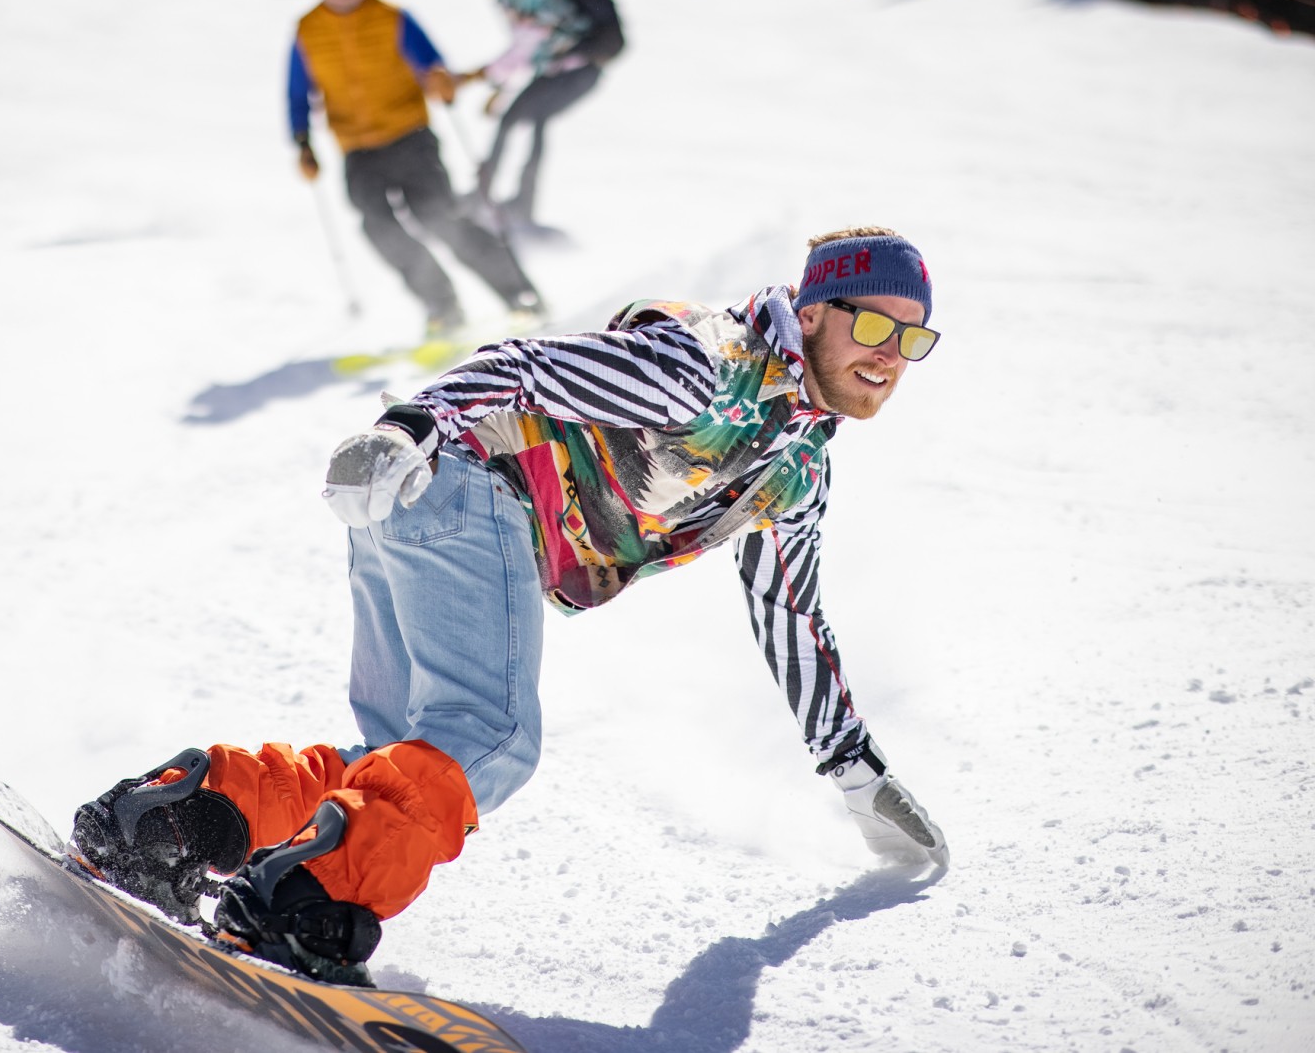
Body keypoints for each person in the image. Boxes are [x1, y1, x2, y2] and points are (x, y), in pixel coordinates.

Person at [69, 228, 950, 987]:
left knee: (407, 764)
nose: (890, 353)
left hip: (441, 499)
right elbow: (529, 368)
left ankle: (182, 818)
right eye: (873, 323)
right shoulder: (707, 363)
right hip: (458, 477)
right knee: (488, 737)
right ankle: (301, 906)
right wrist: (408, 429)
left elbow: (792, 614)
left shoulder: (795, 465)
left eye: (912, 338)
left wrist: (855, 771)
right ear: (812, 313)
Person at [287, 0, 545, 338]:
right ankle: (443, 308)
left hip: (409, 137)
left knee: (440, 217)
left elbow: (432, 65)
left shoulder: (392, 17)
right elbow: (297, 92)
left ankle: (519, 295)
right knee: (379, 228)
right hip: (357, 149)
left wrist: (439, 81)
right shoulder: (308, 29)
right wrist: (303, 142)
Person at [463, 0, 624, 234]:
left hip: (571, 70)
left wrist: (473, 77)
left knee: (518, 122)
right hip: (572, 70)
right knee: (531, 122)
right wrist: (500, 88)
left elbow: (527, 45)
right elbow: (533, 46)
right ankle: (512, 200)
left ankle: (493, 197)